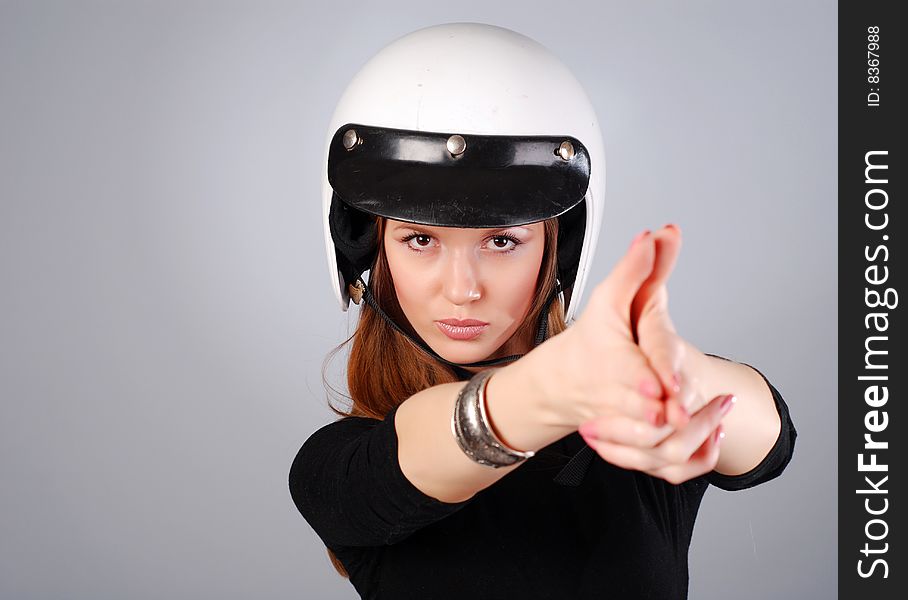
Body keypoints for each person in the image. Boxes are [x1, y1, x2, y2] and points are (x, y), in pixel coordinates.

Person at [289, 23, 797, 599]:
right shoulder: (336, 470)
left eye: (502, 241)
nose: (462, 289)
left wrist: (667, 374)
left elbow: (767, 440)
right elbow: (422, 452)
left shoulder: (628, 427)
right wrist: (552, 389)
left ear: (559, 251)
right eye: (420, 240)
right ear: (368, 247)